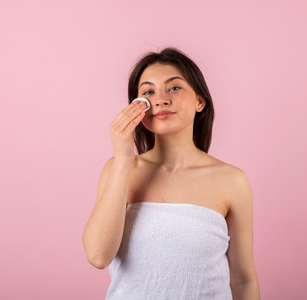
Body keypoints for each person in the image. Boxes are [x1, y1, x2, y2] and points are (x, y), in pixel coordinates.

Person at [82, 47, 261, 300]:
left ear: (200, 101)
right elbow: (98, 256)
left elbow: (243, 279)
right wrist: (123, 157)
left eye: (174, 88)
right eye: (148, 92)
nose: (161, 99)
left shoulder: (232, 181)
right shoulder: (118, 169)